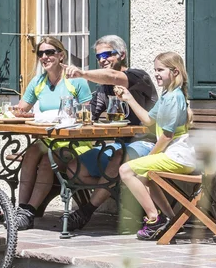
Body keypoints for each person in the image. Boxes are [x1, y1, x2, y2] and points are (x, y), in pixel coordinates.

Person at [60, 35, 158, 230]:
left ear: (121, 54)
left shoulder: (138, 76)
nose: (102, 59)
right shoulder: (105, 87)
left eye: (106, 54)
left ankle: (86, 211)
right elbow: (90, 115)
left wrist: (82, 73)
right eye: (98, 57)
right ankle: (122, 195)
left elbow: (114, 77)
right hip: (119, 143)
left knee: (118, 157)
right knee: (72, 167)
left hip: (147, 142)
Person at [10, 36, 92, 230]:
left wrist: (67, 115)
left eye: (49, 52)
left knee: (48, 159)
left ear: (61, 55)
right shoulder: (38, 81)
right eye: (41, 53)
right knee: (31, 152)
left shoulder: (76, 80)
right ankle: (21, 209)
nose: (44, 57)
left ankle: (30, 211)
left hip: (75, 141)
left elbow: (88, 114)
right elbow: (22, 109)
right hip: (49, 138)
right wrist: (17, 111)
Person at [117, 51, 197, 240]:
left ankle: (154, 219)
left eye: (160, 70)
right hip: (177, 154)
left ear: (175, 71)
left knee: (125, 171)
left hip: (178, 156)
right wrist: (128, 98)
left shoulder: (173, 98)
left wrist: (150, 156)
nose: (156, 74)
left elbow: (167, 136)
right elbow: (147, 120)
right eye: (155, 70)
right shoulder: (167, 95)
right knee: (145, 176)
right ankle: (170, 219)